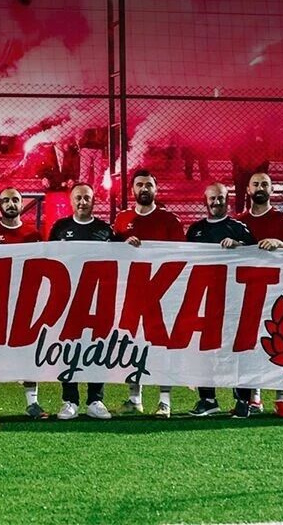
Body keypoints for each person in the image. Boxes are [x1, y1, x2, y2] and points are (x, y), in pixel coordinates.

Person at [112, 170, 185, 417]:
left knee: (162, 345)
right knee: (133, 344)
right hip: (131, 291)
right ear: (132, 189)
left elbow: (183, 254)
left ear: (156, 189)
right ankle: (135, 398)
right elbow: (111, 251)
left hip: (163, 292)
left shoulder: (169, 220)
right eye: (139, 185)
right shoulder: (122, 219)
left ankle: (164, 401)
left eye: (148, 185)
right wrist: (123, 246)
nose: (144, 189)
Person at [184, 183, 256, 418]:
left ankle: (243, 400)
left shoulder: (238, 228)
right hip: (204, 298)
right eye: (212, 198)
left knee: (238, 348)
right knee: (203, 349)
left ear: (228, 200)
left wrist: (239, 247)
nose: (216, 202)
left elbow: (257, 256)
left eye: (221, 198)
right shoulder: (195, 230)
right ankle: (207, 399)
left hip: (234, 299)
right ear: (205, 201)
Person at [0, 187, 46, 420]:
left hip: (26, 301)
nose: (11, 204)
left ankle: (33, 403)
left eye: (15, 200)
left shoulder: (33, 235)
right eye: (5, 200)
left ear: (22, 204)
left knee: (28, 350)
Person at [47, 184, 114, 420]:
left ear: (94, 201)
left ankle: (96, 399)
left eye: (87, 197)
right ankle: (70, 400)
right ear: (71, 200)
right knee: (68, 347)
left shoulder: (105, 230)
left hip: (98, 297)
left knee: (98, 346)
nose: (82, 202)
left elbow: (120, 260)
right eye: (78, 198)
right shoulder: (60, 228)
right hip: (67, 297)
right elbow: (49, 258)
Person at [235, 171, 283, 417]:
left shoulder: (282, 219)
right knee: (248, 343)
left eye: (265, 184)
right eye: (256, 184)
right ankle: (253, 396)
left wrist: (278, 244)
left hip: (277, 290)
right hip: (246, 292)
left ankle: (281, 397)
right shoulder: (238, 221)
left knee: (280, 340)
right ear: (248, 190)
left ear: (271, 189)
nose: (260, 187)